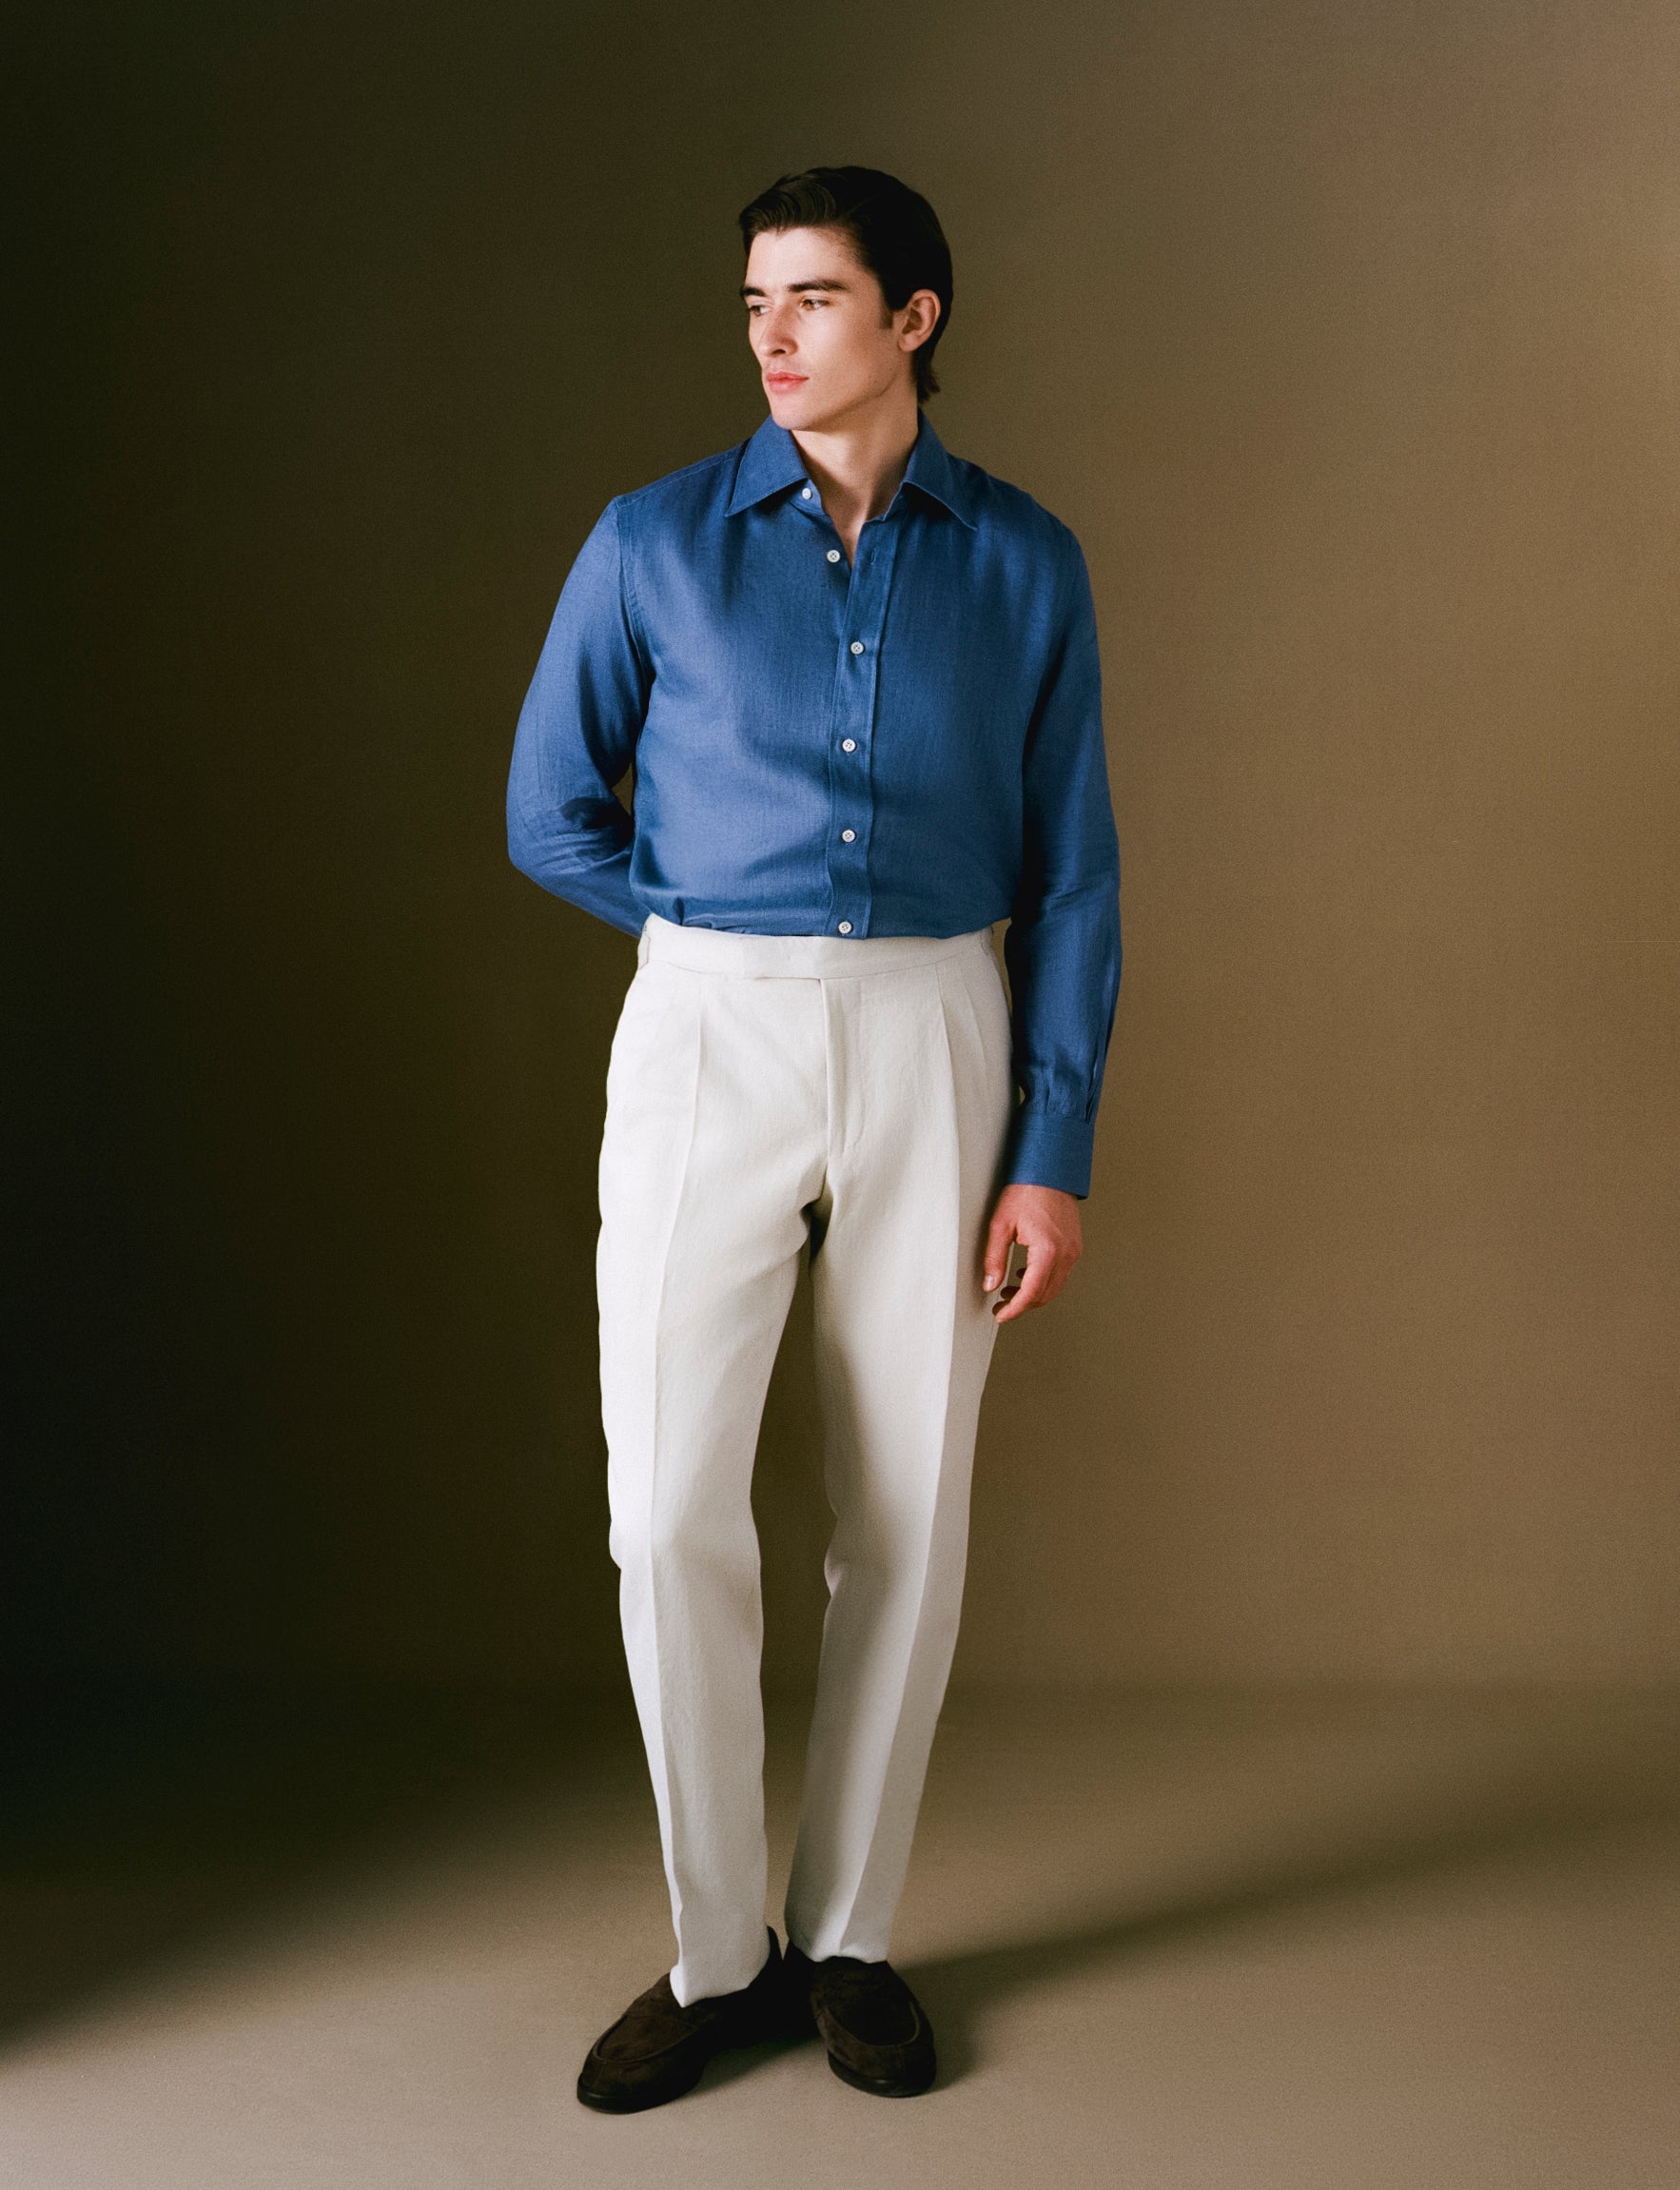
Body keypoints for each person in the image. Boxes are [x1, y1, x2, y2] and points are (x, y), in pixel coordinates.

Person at [506, 165, 1122, 2111]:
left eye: (814, 297)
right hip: (711, 1029)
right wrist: (715, 934)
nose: (769, 332)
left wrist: (1053, 1141)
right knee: (666, 1508)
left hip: (945, 1025)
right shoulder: (654, 542)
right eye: (754, 299)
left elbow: (1079, 873)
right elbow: (549, 806)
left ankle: (848, 1931)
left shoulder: (1026, 561)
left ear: (913, 318)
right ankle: (718, 1950)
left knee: (908, 1516)